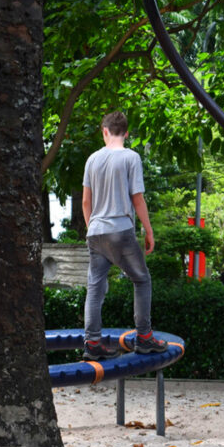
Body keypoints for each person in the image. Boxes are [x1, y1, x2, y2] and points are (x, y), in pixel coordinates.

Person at [81, 111, 167, 360]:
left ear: (104, 131)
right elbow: (137, 198)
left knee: (95, 288)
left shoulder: (92, 160)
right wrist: (148, 230)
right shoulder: (131, 157)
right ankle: (144, 337)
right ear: (126, 134)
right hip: (120, 229)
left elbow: (86, 202)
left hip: (95, 231)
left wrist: (92, 229)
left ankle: (93, 343)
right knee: (141, 280)